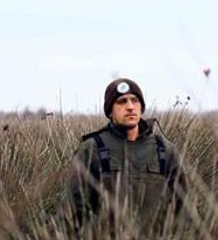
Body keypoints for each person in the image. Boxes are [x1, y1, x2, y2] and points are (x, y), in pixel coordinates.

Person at [69, 78, 187, 231]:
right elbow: (72, 212)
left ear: (141, 107)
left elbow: (184, 210)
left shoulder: (164, 149)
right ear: (110, 111)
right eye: (122, 101)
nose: (130, 107)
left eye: (135, 100)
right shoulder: (92, 150)